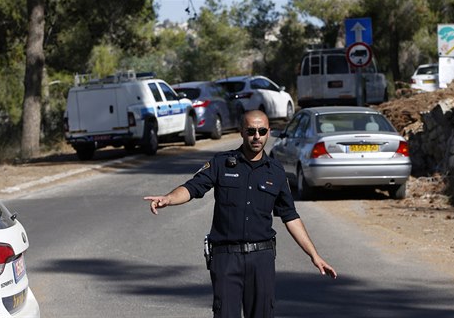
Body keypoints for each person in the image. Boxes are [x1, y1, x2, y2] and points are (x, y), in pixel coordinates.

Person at [144, 110, 337, 318]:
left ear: (268, 133)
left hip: (261, 259)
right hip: (226, 258)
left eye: (262, 131)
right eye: (251, 131)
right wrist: (169, 199)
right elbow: (192, 188)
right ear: (241, 132)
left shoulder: (276, 171)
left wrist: (314, 255)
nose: (257, 136)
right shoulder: (221, 163)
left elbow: (290, 216)